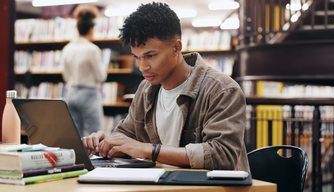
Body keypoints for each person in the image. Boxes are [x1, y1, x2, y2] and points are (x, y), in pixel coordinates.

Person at [82, 2, 249, 171]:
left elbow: (222, 155)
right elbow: (128, 136)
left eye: (150, 55)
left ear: (176, 47)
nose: (142, 67)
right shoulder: (145, 89)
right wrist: (107, 143)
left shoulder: (221, 89)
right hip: (165, 189)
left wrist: (148, 150)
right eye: (137, 57)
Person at [62, 5, 107, 137]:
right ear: (91, 28)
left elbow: (65, 76)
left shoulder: (67, 48)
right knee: (93, 134)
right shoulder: (92, 49)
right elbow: (101, 77)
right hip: (89, 94)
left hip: (70, 92)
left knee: (75, 133)